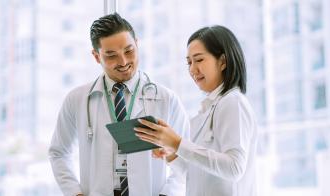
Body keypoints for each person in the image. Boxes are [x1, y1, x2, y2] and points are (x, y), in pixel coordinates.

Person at [48, 13, 189, 196]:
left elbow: (186, 158)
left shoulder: (166, 99)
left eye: (129, 51)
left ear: (137, 44)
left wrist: (168, 194)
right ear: (97, 56)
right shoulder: (77, 99)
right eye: (111, 55)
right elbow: (58, 152)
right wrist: (75, 193)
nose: (123, 62)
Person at [135, 25, 257, 196]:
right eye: (189, 62)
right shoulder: (205, 111)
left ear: (222, 61)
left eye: (199, 60)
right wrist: (171, 154)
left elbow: (234, 168)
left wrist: (177, 143)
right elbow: (195, 176)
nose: (192, 69)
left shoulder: (233, 102)